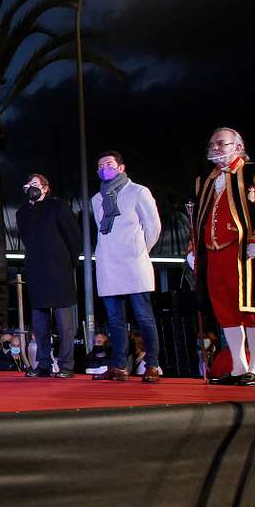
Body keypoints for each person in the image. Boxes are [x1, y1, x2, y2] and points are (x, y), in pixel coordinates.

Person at [187, 127, 255, 386]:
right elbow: (198, 220)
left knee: (251, 309)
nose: (215, 148)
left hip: (245, 252)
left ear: (238, 146)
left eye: (221, 143)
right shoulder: (204, 180)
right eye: (212, 144)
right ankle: (238, 367)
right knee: (225, 311)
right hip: (213, 253)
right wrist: (192, 248)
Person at [91, 151, 162, 383]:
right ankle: (118, 366)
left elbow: (153, 226)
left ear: (121, 167)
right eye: (100, 166)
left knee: (144, 317)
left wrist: (140, 250)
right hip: (108, 264)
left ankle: (152, 364)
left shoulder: (138, 191)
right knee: (114, 320)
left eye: (109, 164)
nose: (104, 169)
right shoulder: (96, 199)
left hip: (133, 262)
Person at [15, 173, 82, 378]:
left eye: (36, 184)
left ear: (45, 188)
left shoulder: (58, 206)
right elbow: (26, 238)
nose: (32, 187)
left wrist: (68, 260)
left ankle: (66, 365)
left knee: (64, 325)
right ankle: (42, 364)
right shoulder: (22, 212)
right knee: (40, 324)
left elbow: (74, 237)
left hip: (59, 269)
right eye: (29, 184)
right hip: (36, 270)